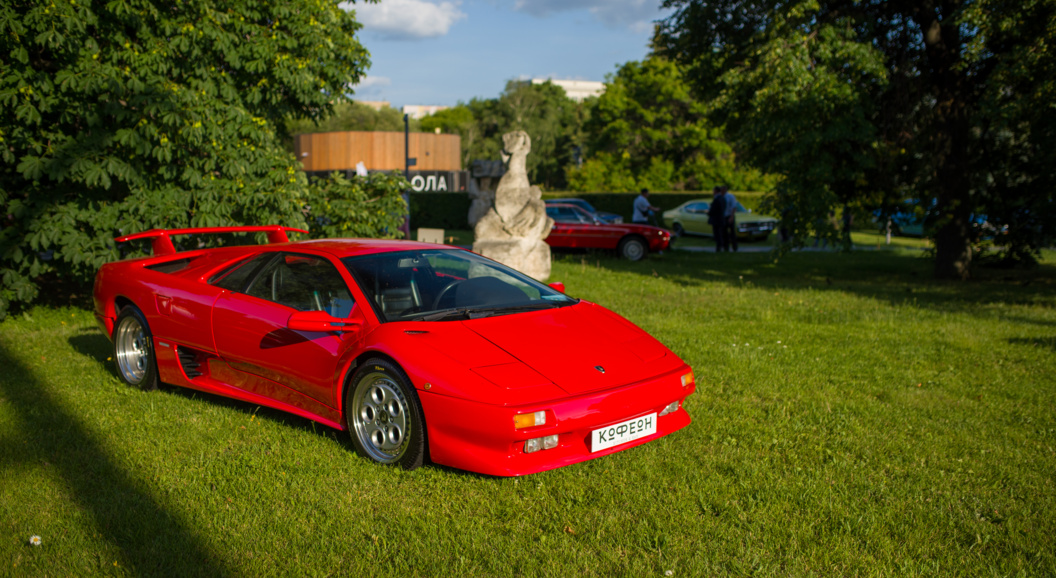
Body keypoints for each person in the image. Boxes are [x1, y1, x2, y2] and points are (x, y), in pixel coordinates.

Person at [707, 186, 727, 253]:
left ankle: (719, 247)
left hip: (717, 220)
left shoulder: (717, 199)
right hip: (720, 219)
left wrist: (709, 212)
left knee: (717, 234)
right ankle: (721, 246)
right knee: (720, 234)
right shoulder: (722, 198)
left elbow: (714, 210)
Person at [722, 185, 738, 252]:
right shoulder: (721, 196)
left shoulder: (730, 196)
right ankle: (726, 247)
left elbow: (734, 207)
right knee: (724, 233)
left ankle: (734, 247)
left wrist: (731, 217)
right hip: (724, 217)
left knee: (732, 233)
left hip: (729, 216)